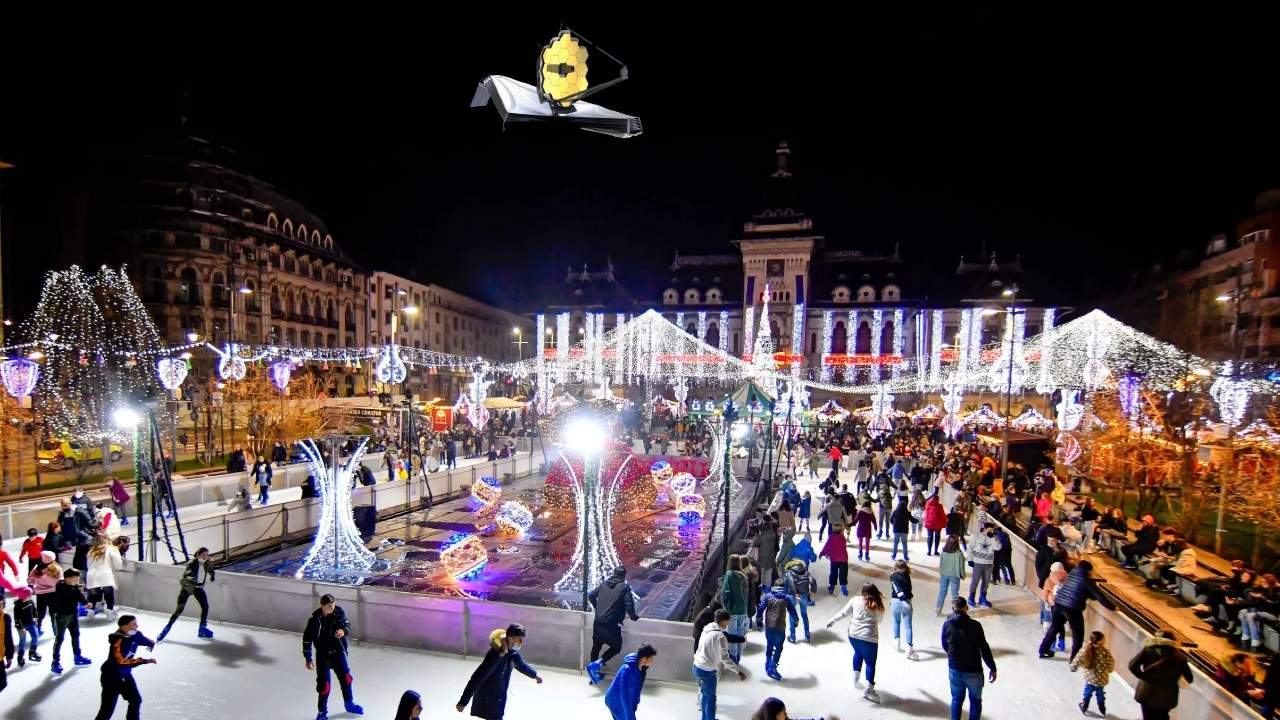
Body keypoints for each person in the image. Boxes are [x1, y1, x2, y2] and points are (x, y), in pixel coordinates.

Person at [457, 623, 542, 720]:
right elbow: (477, 677)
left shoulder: (512, 653)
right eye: (519, 638)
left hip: (499, 694)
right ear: (510, 638)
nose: (521, 642)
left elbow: (521, 665)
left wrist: (535, 675)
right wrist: (463, 701)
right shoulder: (496, 654)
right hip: (488, 696)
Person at [1038, 560, 1116, 660]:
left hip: (1058, 604)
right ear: (1089, 571)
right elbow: (1099, 596)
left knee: (1054, 628)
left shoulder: (1071, 574)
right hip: (1072, 608)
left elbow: (1083, 591)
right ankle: (1074, 658)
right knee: (1078, 634)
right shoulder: (1087, 580)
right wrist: (1113, 607)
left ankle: (1043, 650)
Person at [303, 594, 363, 719]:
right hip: (323, 655)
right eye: (329, 606)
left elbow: (347, 625)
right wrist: (308, 658)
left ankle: (349, 704)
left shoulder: (338, 612)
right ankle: (322, 712)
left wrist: (343, 631)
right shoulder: (314, 621)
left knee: (346, 679)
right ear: (322, 606)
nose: (332, 608)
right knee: (324, 686)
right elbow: (307, 640)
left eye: (334, 605)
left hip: (338, 652)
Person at [827, 582, 885, 702]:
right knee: (870, 663)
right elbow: (880, 620)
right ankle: (869, 689)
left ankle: (855, 676)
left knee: (858, 652)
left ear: (863, 592)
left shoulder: (855, 600)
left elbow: (844, 612)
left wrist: (832, 620)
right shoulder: (879, 605)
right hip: (869, 638)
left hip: (853, 635)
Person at [941, 596, 998, 720]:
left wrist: (952, 656)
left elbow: (945, 645)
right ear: (966, 608)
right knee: (975, 701)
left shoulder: (947, 625)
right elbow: (984, 648)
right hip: (974, 670)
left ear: (953, 609)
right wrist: (992, 667)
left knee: (956, 699)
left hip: (955, 668)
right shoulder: (976, 626)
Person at [92, 614, 156, 720]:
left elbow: (144, 640)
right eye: (134, 624)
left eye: (136, 623)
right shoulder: (117, 641)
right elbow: (121, 661)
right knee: (107, 709)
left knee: (135, 700)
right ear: (125, 627)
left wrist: (151, 643)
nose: (137, 626)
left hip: (125, 674)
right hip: (111, 677)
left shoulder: (136, 635)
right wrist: (143, 661)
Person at [586, 566, 640, 684]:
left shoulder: (604, 584)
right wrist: (633, 617)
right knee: (616, 647)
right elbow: (629, 604)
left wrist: (597, 609)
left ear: (614, 573)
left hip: (598, 621)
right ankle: (597, 665)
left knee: (596, 647)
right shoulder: (624, 587)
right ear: (623, 575)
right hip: (611, 624)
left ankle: (592, 676)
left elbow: (591, 595)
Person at [692, 609, 746, 720]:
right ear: (723, 621)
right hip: (707, 671)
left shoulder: (706, 629)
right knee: (711, 699)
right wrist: (738, 671)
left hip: (696, 666)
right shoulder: (720, 636)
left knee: (705, 695)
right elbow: (725, 658)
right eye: (727, 621)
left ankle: (705, 718)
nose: (728, 624)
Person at [1128, 631, 1192, 720]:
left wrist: (1144, 677)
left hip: (1147, 694)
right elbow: (1189, 678)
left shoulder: (1148, 650)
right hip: (1167, 698)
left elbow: (1132, 666)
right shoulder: (1180, 657)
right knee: (1163, 717)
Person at [157, 547, 216, 642]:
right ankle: (166, 629)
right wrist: (190, 577)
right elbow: (187, 572)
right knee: (179, 610)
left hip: (198, 588)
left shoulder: (207, 563)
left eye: (206, 555)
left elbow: (210, 570)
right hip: (188, 587)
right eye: (203, 555)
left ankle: (202, 628)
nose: (205, 557)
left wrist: (212, 575)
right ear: (198, 554)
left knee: (205, 606)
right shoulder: (192, 563)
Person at [50, 567, 92, 674]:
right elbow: (70, 596)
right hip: (62, 616)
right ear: (68, 578)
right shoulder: (61, 586)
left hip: (73, 614)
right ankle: (55, 662)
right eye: (75, 579)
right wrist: (76, 589)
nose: (77, 581)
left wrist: (85, 603)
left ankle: (77, 656)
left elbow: (78, 596)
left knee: (76, 635)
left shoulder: (74, 587)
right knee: (59, 639)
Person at [755, 578, 798, 680]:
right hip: (780, 626)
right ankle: (773, 667)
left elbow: (761, 608)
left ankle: (768, 661)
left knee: (770, 644)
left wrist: (758, 620)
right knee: (779, 647)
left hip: (769, 626)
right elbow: (792, 611)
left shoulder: (767, 596)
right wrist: (796, 620)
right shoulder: (786, 598)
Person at [604, 644, 656, 720]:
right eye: (651, 659)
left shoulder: (640, 667)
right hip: (615, 701)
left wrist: (635, 703)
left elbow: (637, 688)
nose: (652, 662)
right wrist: (630, 716)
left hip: (622, 702)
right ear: (644, 658)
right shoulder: (627, 670)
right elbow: (624, 695)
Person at [1070, 631, 1114, 716]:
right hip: (1101, 679)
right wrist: (1110, 670)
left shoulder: (1085, 649)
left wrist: (1073, 667)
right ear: (1099, 641)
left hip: (1090, 679)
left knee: (1087, 692)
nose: (1105, 640)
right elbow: (1110, 662)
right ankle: (1102, 708)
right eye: (1103, 639)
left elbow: (1077, 659)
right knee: (1100, 693)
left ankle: (1084, 705)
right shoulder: (1105, 651)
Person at [719, 555, 749, 662]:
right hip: (742, 609)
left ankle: (733, 658)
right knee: (740, 635)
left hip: (732, 609)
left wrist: (724, 605)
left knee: (732, 635)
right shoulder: (743, 575)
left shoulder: (729, 574)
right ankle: (739, 657)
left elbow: (726, 592)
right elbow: (746, 594)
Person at [86, 533, 123, 619]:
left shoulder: (91, 551)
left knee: (93, 595)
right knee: (108, 594)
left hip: (92, 575)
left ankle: (90, 613)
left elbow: (88, 565)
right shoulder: (111, 549)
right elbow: (118, 564)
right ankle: (110, 612)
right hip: (105, 575)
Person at [967, 522, 1002, 608]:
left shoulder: (994, 537)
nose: (992, 531)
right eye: (991, 529)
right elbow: (970, 548)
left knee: (986, 582)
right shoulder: (977, 536)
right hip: (978, 563)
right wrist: (970, 559)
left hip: (989, 563)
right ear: (985, 528)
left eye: (993, 529)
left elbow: (998, 548)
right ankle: (971, 597)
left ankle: (982, 598)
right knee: (975, 581)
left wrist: (992, 537)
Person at [889, 559, 918, 660]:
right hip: (907, 601)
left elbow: (895, 588)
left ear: (896, 567)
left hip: (895, 601)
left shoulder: (893, 576)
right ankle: (909, 648)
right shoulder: (907, 576)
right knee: (908, 626)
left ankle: (896, 642)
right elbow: (909, 589)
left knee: (896, 621)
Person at [783, 559, 813, 643]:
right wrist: (813, 591)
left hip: (792, 595)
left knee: (792, 613)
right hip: (803, 594)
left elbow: (791, 582)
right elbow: (812, 581)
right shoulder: (805, 571)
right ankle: (807, 633)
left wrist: (795, 593)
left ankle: (792, 636)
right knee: (804, 614)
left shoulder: (789, 572)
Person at [937, 535, 967, 615]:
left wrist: (941, 572)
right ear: (957, 543)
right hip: (955, 575)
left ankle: (938, 609)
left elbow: (941, 563)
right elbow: (961, 566)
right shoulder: (959, 553)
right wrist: (963, 575)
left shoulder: (943, 552)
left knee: (942, 592)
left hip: (944, 574)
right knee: (955, 594)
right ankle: (955, 610)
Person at [820, 524, 850, 596]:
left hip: (834, 559)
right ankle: (844, 589)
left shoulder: (831, 537)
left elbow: (827, 546)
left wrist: (822, 553)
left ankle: (831, 587)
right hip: (843, 559)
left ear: (833, 530)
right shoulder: (843, 537)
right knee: (843, 574)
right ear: (841, 530)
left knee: (833, 573)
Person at [889, 497, 918, 562]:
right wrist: (918, 520)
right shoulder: (907, 513)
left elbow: (891, 520)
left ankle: (893, 556)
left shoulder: (895, 512)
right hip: (904, 531)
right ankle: (906, 557)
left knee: (895, 543)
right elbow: (913, 520)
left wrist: (895, 524)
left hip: (896, 530)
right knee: (904, 544)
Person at [14, 594, 39, 665]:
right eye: (28, 595)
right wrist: (21, 628)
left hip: (31, 623)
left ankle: (32, 652)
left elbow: (34, 611)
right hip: (22, 626)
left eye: (30, 595)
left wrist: (35, 618)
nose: (29, 597)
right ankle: (20, 656)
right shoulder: (18, 605)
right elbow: (17, 618)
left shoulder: (31, 601)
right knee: (23, 641)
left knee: (35, 636)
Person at [0, 600, 12, 693]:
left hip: (0, 656)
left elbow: (8, 637)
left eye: (2, 604)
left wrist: (9, 656)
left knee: (3, 683)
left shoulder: (5, 617)